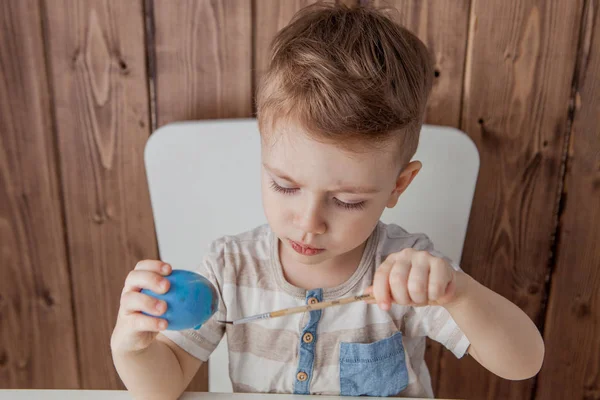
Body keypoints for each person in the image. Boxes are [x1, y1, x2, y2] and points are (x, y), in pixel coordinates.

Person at [111, 3, 544, 399]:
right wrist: (131, 347)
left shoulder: (405, 272)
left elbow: (523, 361)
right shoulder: (231, 270)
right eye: (284, 185)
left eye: (348, 201)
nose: (309, 221)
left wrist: (458, 293)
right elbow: (162, 386)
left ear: (399, 185)